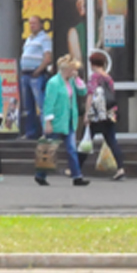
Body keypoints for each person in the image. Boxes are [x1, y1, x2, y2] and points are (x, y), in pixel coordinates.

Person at [40, 54, 89, 187]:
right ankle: (41, 174)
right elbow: (48, 103)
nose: (74, 71)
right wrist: (48, 122)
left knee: (71, 149)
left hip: (69, 120)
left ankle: (77, 176)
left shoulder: (72, 81)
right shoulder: (54, 83)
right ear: (66, 69)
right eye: (73, 69)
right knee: (50, 149)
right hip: (56, 121)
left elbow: (83, 92)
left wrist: (78, 78)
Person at [85, 50, 125, 181]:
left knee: (86, 140)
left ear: (92, 64)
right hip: (110, 113)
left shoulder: (94, 77)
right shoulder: (108, 77)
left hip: (98, 114)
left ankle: (74, 168)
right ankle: (120, 169)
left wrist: (87, 114)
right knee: (112, 141)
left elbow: (91, 96)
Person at [18, 15, 52, 140]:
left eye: (34, 23)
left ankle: (46, 132)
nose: (32, 26)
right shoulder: (29, 39)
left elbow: (47, 57)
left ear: (41, 24)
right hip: (25, 74)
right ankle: (30, 132)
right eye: (30, 23)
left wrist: (38, 70)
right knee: (28, 106)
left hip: (35, 75)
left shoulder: (44, 38)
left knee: (41, 104)